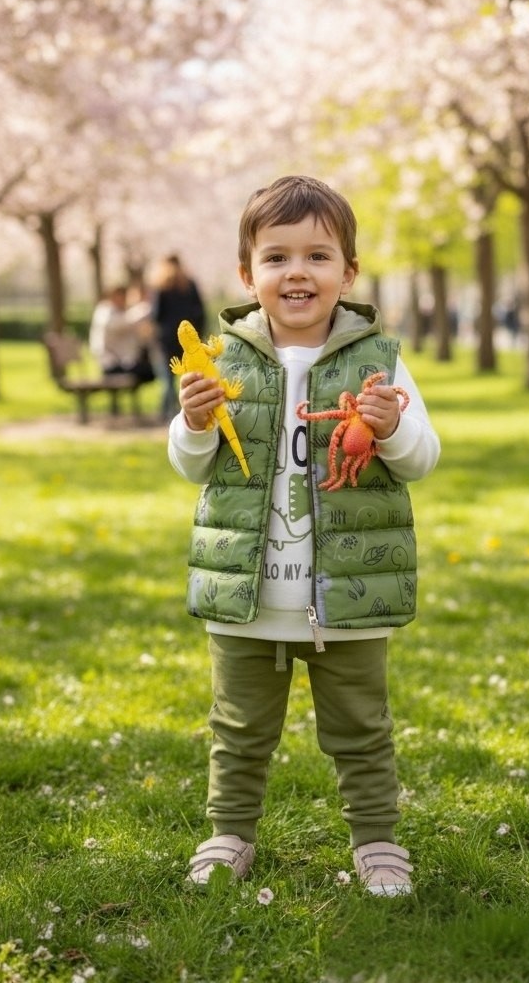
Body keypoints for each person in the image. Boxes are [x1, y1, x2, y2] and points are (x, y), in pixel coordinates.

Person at [167, 175, 441, 896]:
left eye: (318, 257)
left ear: (348, 273)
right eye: (277, 257)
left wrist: (392, 428)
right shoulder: (222, 360)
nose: (297, 272)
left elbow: (421, 458)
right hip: (247, 592)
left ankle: (377, 841)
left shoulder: (378, 360)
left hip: (349, 593)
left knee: (362, 729)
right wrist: (193, 422)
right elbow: (191, 464)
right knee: (238, 729)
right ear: (247, 274)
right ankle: (229, 832)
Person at [150, 254, 207, 420]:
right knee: (190, 376)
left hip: (167, 339)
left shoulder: (161, 286)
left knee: (168, 377)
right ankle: (191, 410)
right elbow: (200, 312)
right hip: (188, 341)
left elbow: (156, 315)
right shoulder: (189, 284)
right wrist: (198, 334)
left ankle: (167, 412)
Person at [88, 284, 155, 383]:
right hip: (112, 365)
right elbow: (123, 323)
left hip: (123, 363)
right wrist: (145, 306)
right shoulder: (105, 312)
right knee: (152, 370)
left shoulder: (119, 312)